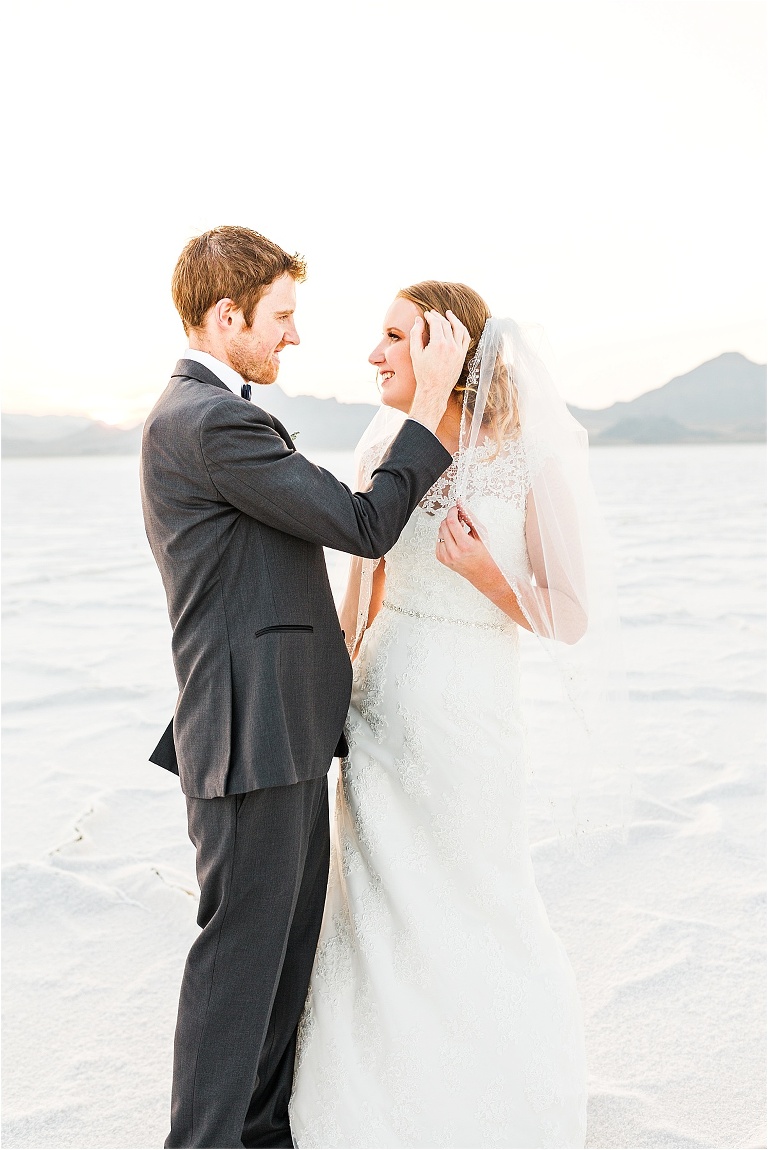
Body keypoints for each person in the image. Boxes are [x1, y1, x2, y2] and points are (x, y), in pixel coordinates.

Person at [140, 229, 470, 1149]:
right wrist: (433, 406)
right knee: (240, 967)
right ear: (227, 315)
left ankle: (258, 1136)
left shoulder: (210, 415)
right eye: (281, 317)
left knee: (282, 961)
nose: (293, 336)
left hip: (279, 728)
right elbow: (362, 524)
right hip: (250, 733)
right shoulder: (210, 422)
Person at [289, 280, 616, 1149]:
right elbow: (363, 588)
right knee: (375, 904)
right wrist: (333, 703)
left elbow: (571, 615)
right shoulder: (384, 446)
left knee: (476, 895)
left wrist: (487, 578)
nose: (375, 354)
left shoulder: (526, 457)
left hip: (470, 714)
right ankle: (369, 1100)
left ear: (442, 346)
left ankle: (497, 1096)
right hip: (381, 706)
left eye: (395, 336)